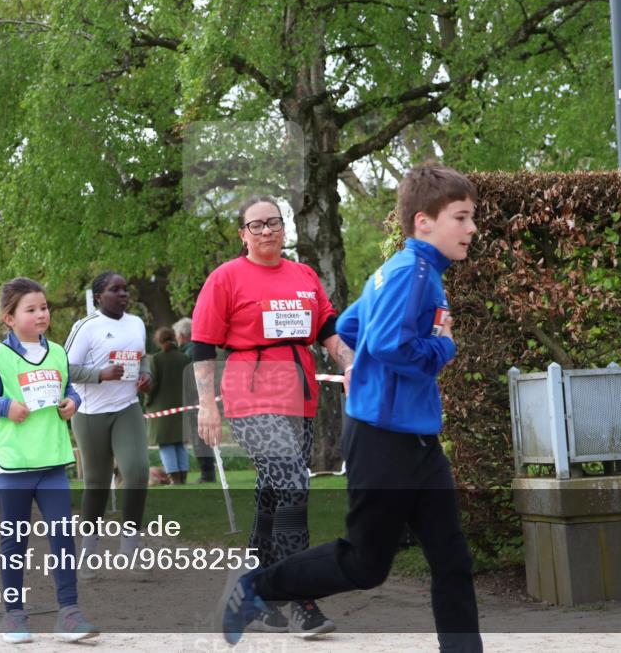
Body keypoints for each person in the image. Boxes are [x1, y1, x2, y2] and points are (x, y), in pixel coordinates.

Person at [218, 163, 483, 653]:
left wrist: (359, 368)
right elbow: (386, 346)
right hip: (385, 440)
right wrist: (444, 349)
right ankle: (256, 589)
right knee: (365, 564)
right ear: (424, 221)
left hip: (419, 442)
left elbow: (355, 327)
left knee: (451, 560)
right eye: (462, 218)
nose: (472, 229)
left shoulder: (403, 270)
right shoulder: (413, 274)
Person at [192, 195, 354, 638]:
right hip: (249, 392)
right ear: (243, 234)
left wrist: (349, 363)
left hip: (298, 397)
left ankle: (251, 593)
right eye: (256, 225)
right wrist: (207, 406)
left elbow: (326, 330)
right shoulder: (226, 278)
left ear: (285, 229)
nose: (267, 231)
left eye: (274, 223)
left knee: (273, 494)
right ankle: (300, 598)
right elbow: (203, 345)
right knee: (292, 483)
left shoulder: (303, 275)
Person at [0, 276, 99, 643]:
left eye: (44, 307)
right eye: (32, 309)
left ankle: (69, 613)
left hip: (52, 460)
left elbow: (67, 388)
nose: (42, 314)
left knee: (63, 536)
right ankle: (14, 616)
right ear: (10, 318)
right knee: (15, 541)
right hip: (12, 464)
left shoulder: (57, 352)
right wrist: (4, 406)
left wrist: (74, 402)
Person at [64, 271, 151, 578]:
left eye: (126, 289)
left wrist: (145, 375)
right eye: (116, 290)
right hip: (90, 414)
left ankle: (130, 546)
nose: (124, 294)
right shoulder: (86, 327)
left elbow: (143, 358)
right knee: (97, 483)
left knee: (138, 471)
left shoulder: (136, 323)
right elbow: (65, 369)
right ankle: (88, 550)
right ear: (99, 296)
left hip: (127, 407)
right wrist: (100, 375)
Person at [147, 327, 192, 485]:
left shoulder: (156, 359)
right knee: (180, 444)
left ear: (158, 341)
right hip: (182, 407)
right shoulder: (184, 358)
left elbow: (151, 385)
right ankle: (183, 478)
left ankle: (174, 479)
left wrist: (147, 402)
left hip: (161, 409)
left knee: (166, 445)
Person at [174, 317, 215, 483]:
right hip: (200, 399)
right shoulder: (193, 350)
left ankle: (207, 474)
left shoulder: (187, 353)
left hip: (195, 401)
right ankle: (208, 472)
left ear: (182, 336)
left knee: (200, 438)